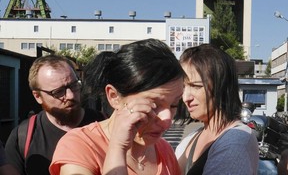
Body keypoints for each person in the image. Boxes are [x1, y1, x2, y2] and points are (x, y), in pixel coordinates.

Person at [49, 38, 184, 175]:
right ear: (114, 96)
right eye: (153, 105)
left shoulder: (164, 149)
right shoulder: (79, 145)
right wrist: (117, 148)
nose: (167, 121)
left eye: (174, 105)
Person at [5, 54, 106, 175]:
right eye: (58, 92)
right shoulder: (23, 137)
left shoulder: (105, 125)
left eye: (74, 85)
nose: (70, 96)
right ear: (38, 96)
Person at [175, 44, 259, 175]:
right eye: (183, 87)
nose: (186, 98)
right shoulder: (192, 137)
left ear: (221, 86)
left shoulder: (235, 142)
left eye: (196, 86)